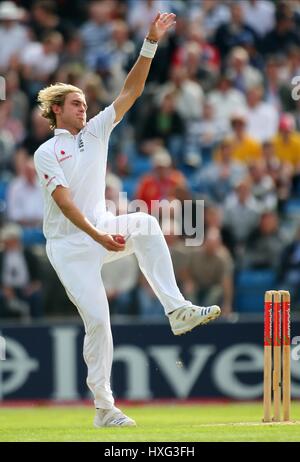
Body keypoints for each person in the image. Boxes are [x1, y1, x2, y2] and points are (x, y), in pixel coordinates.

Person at [33, 13, 221, 428]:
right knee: (98, 322)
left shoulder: (97, 131)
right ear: (56, 110)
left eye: (85, 103)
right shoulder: (47, 153)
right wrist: (98, 235)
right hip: (69, 247)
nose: (85, 108)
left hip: (103, 229)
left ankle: (176, 310)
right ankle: (104, 409)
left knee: (147, 224)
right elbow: (65, 204)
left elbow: (131, 91)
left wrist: (149, 44)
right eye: (77, 103)